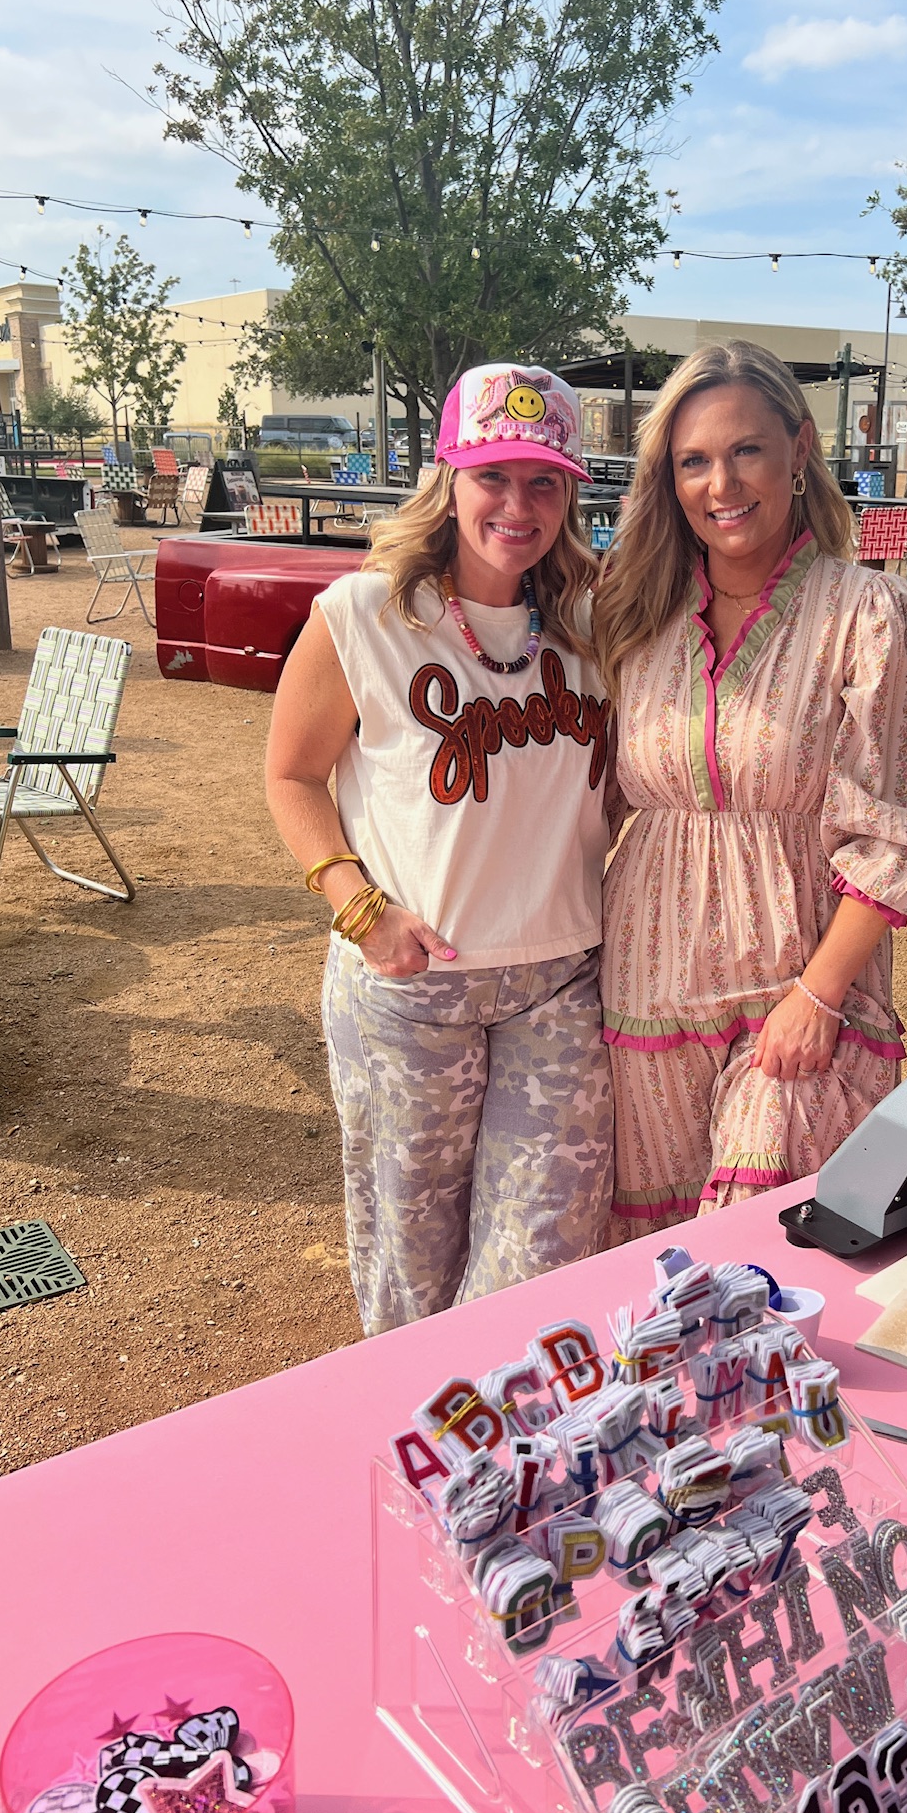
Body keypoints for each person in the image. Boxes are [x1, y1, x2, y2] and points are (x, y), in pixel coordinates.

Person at [266, 363, 614, 1334]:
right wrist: (360, 910)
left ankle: (504, 1444)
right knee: (411, 1261)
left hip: (559, 977)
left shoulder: (596, 623)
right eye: (492, 473)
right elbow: (292, 775)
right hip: (413, 983)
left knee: (548, 1246)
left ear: (572, 490)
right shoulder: (363, 616)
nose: (518, 503)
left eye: (544, 480)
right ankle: (418, 1453)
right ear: (447, 475)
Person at [592, 340, 907, 1232]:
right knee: (655, 1250)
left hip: (798, 987)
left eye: (746, 450)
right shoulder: (634, 617)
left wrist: (819, 994)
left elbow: (903, 834)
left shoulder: (874, 615)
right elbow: (595, 798)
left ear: (800, 450)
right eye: (694, 461)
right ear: (668, 481)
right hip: (648, 982)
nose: (723, 483)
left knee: (761, 1243)